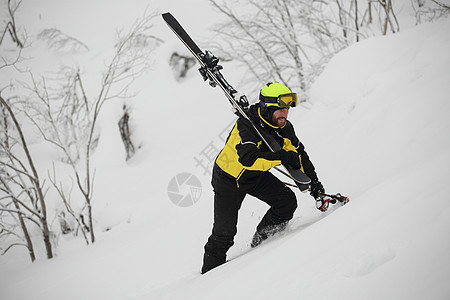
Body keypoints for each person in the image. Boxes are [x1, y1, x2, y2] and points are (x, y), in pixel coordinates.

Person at [201, 82, 325, 274]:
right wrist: (281, 157)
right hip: (228, 179)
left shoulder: (283, 127)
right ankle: (207, 278)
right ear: (267, 109)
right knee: (224, 235)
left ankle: (262, 244)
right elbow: (248, 160)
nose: (284, 114)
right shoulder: (247, 125)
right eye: (280, 110)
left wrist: (316, 186)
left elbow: (299, 154)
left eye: (286, 109)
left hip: (255, 176)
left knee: (286, 202)